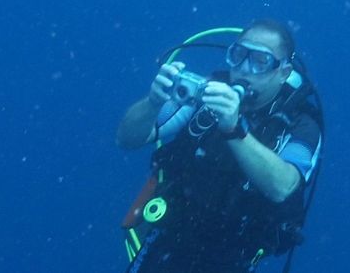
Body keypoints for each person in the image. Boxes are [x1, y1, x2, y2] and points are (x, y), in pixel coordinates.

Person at [115, 20, 325, 273]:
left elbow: (283, 186)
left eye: (260, 61)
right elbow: (127, 139)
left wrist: (233, 129)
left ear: (283, 72)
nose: (245, 70)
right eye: (238, 55)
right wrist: (152, 103)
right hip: (170, 236)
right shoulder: (204, 96)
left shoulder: (302, 124)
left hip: (233, 256)